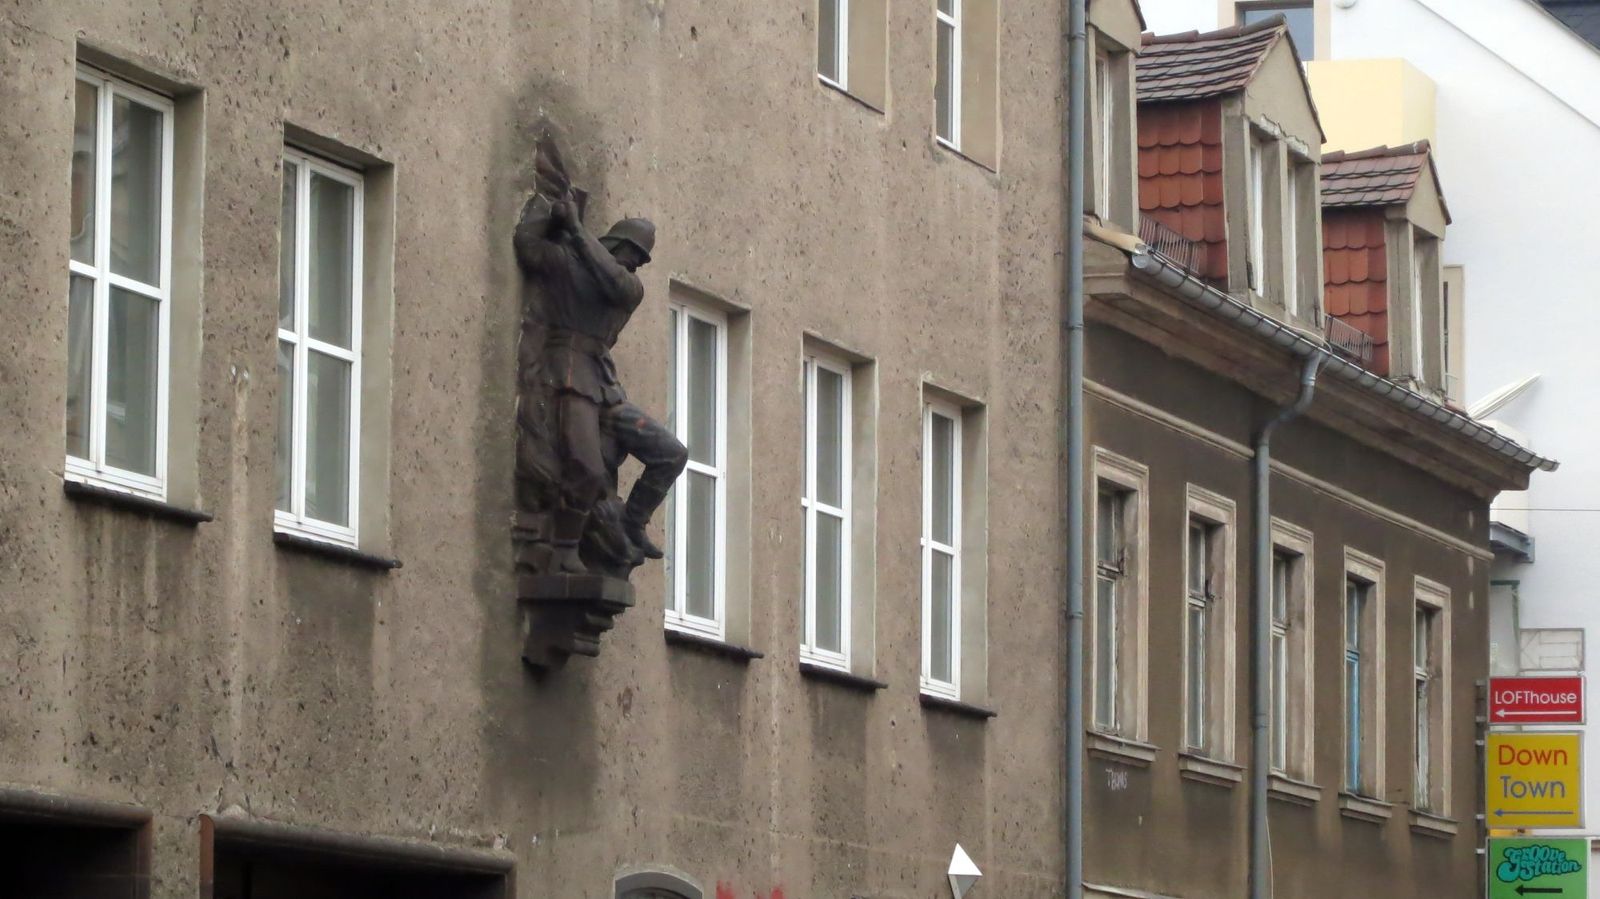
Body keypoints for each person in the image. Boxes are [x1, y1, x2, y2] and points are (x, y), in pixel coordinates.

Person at [514, 195, 688, 574]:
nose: (637, 263)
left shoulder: (627, 286)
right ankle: (564, 549)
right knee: (587, 470)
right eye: (635, 253)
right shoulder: (565, 264)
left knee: (671, 453)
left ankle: (633, 522)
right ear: (616, 243)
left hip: (604, 385)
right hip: (567, 376)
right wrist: (553, 219)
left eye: (641, 258)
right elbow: (527, 247)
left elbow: (613, 281)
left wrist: (576, 229)